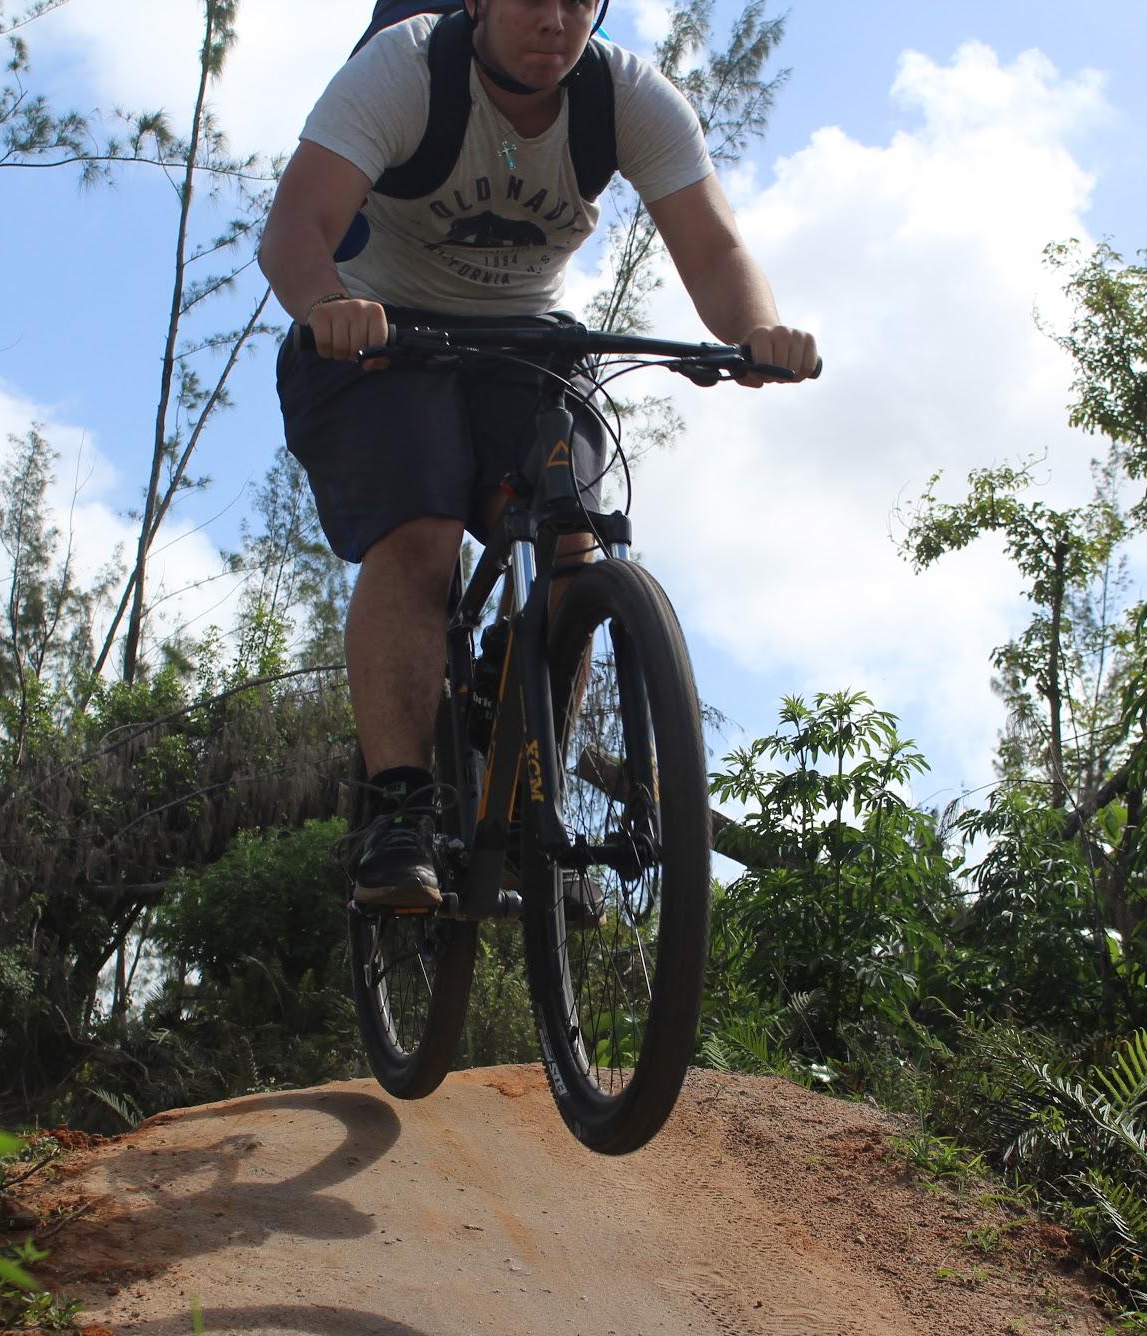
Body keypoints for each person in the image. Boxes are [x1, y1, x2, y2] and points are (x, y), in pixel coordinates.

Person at [259, 0, 818, 911]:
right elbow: (294, 229)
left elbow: (715, 249)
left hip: (527, 345)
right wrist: (330, 306)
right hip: (376, 338)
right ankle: (399, 807)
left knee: (574, 546)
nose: (555, 19)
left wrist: (757, 330)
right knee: (424, 533)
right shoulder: (408, 70)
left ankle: (518, 784)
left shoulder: (626, 96)